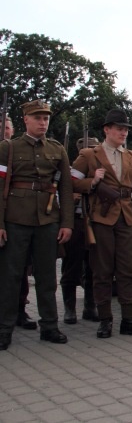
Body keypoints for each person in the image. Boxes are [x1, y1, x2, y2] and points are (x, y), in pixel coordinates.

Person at [70, 108, 132, 339]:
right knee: (102, 271)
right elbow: (71, 183)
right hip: (101, 218)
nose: (123, 133)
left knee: (129, 270)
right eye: (119, 128)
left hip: (126, 218)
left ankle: (128, 319)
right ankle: (105, 319)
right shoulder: (89, 154)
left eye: (126, 129)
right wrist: (93, 182)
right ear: (106, 130)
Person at [0, 100, 74, 350]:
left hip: (48, 220)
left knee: (47, 277)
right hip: (16, 219)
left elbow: (65, 188)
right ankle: (4, 329)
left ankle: (50, 326)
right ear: (26, 121)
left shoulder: (57, 149)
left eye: (46, 119)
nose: (43, 123)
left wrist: (67, 223)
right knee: (10, 276)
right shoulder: (8, 148)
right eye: (38, 118)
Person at [3, 117, 38, 330]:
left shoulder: (15, 151)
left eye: (7, 127)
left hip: (14, 216)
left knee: (18, 268)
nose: (4, 131)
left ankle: (18, 310)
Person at [60, 136, 101, 324]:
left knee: (93, 267)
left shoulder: (101, 171)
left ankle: (90, 306)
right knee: (72, 266)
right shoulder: (69, 173)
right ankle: (69, 309)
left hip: (94, 221)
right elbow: (59, 196)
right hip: (76, 222)